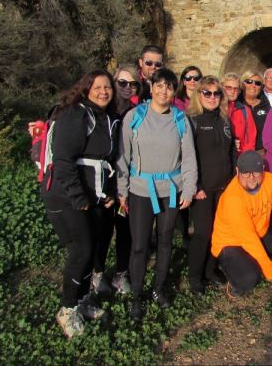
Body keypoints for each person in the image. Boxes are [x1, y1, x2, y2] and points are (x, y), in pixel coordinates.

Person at [41, 69, 119, 339]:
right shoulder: (76, 115)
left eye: (107, 87)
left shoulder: (103, 117)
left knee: (94, 247)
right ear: (86, 89)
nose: (103, 92)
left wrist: (105, 194)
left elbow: (103, 163)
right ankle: (67, 308)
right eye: (97, 87)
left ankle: (83, 298)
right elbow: (63, 161)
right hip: (65, 196)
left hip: (90, 196)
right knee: (82, 251)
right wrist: (78, 198)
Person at [117, 68, 197, 321]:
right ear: (151, 87)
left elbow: (189, 159)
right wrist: (121, 190)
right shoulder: (135, 116)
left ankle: (158, 288)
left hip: (170, 191)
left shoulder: (180, 120)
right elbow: (123, 156)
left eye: (169, 87)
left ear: (175, 92)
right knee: (139, 246)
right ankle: (137, 296)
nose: (164, 91)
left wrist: (190, 188)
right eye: (159, 85)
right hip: (140, 190)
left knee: (164, 242)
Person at [87, 65, 141, 296]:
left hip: (127, 180)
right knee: (102, 229)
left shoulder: (137, 112)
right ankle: (97, 273)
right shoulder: (102, 112)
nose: (128, 88)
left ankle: (121, 273)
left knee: (125, 227)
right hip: (104, 182)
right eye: (122, 83)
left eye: (133, 84)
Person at [186, 76, 234, 294]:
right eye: (207, 92)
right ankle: (194, 276)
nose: (212, 97)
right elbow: (187, 157)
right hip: (202, 189)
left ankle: (210, 269)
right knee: (202, 233)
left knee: (218, 232)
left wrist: (233, 181)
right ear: (199, 94)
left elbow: (231, 152)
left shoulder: (224, 120)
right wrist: (195, 186)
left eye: (216, 93)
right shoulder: (192, 121)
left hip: (223, 187)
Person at [211, 150, 272, 297]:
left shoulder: (267, 180)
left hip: (259, 233)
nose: (251, 178)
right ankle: (235, 279)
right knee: (250, 279)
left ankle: (256, 261)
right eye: (245, 173)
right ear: (237, 172)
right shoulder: (233, 198)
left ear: (262, 170)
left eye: (255, 173)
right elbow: (249, 240)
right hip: (230, 243)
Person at [223, 72, 257, 154]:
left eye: (236, 88)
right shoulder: (215, 108)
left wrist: (245, 161)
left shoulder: (245, 110)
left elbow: (251, 140)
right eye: (228, 88)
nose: (232, 91)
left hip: (239, 156)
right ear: (222, 88)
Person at [240, 70, 271, 154]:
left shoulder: (266, 106)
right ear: (242, 84)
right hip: (240, 152)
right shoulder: (236, 105)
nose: (253, 85)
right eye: (249, 81)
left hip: (262, 152)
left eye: (257, 83)